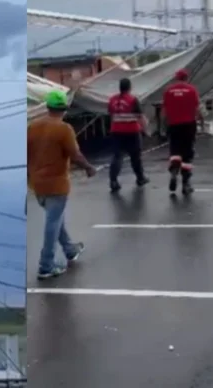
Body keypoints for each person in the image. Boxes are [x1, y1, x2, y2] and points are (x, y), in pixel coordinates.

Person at [27, 90, 96, 279]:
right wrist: (89, 168)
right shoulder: (64, 129)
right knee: (53, 222)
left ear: (48, 107)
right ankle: (46, 265)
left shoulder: (32, 126)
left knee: (56, 219)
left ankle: (69, 249)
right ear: (64, 109)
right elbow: (75, 155)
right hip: (56, 185)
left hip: (37, 185)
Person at [162, 68, 203, 195]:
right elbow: (197, 109)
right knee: (187, 153)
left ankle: (174, 170)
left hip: (173, 124)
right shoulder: (191, 90)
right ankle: (186, 184)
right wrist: (201, 122)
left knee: (175, 150)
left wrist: (164, 126)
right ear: (186, 78)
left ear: (176, 78)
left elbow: (164, 111)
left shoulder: (168, 91)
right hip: (189, 124)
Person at [107, 77, 149, 192]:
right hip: (132, 132)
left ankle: (113, 181)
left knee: (117, 156)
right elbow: (140, 117)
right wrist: (145, 130)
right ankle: (140, 178)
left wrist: (112, 129)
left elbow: (111, 115)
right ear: (130, 87)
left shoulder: (112, 100)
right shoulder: (133, 99)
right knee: (135, 157)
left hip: (116, 132)